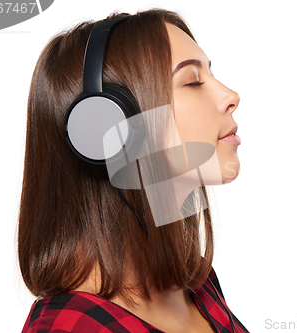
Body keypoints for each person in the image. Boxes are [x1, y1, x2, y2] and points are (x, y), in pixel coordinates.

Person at [18, 8, 247, 333]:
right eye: (193, 82)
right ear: (107, 128)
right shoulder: (70, 327)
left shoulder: (196, 284)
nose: (231, 96)